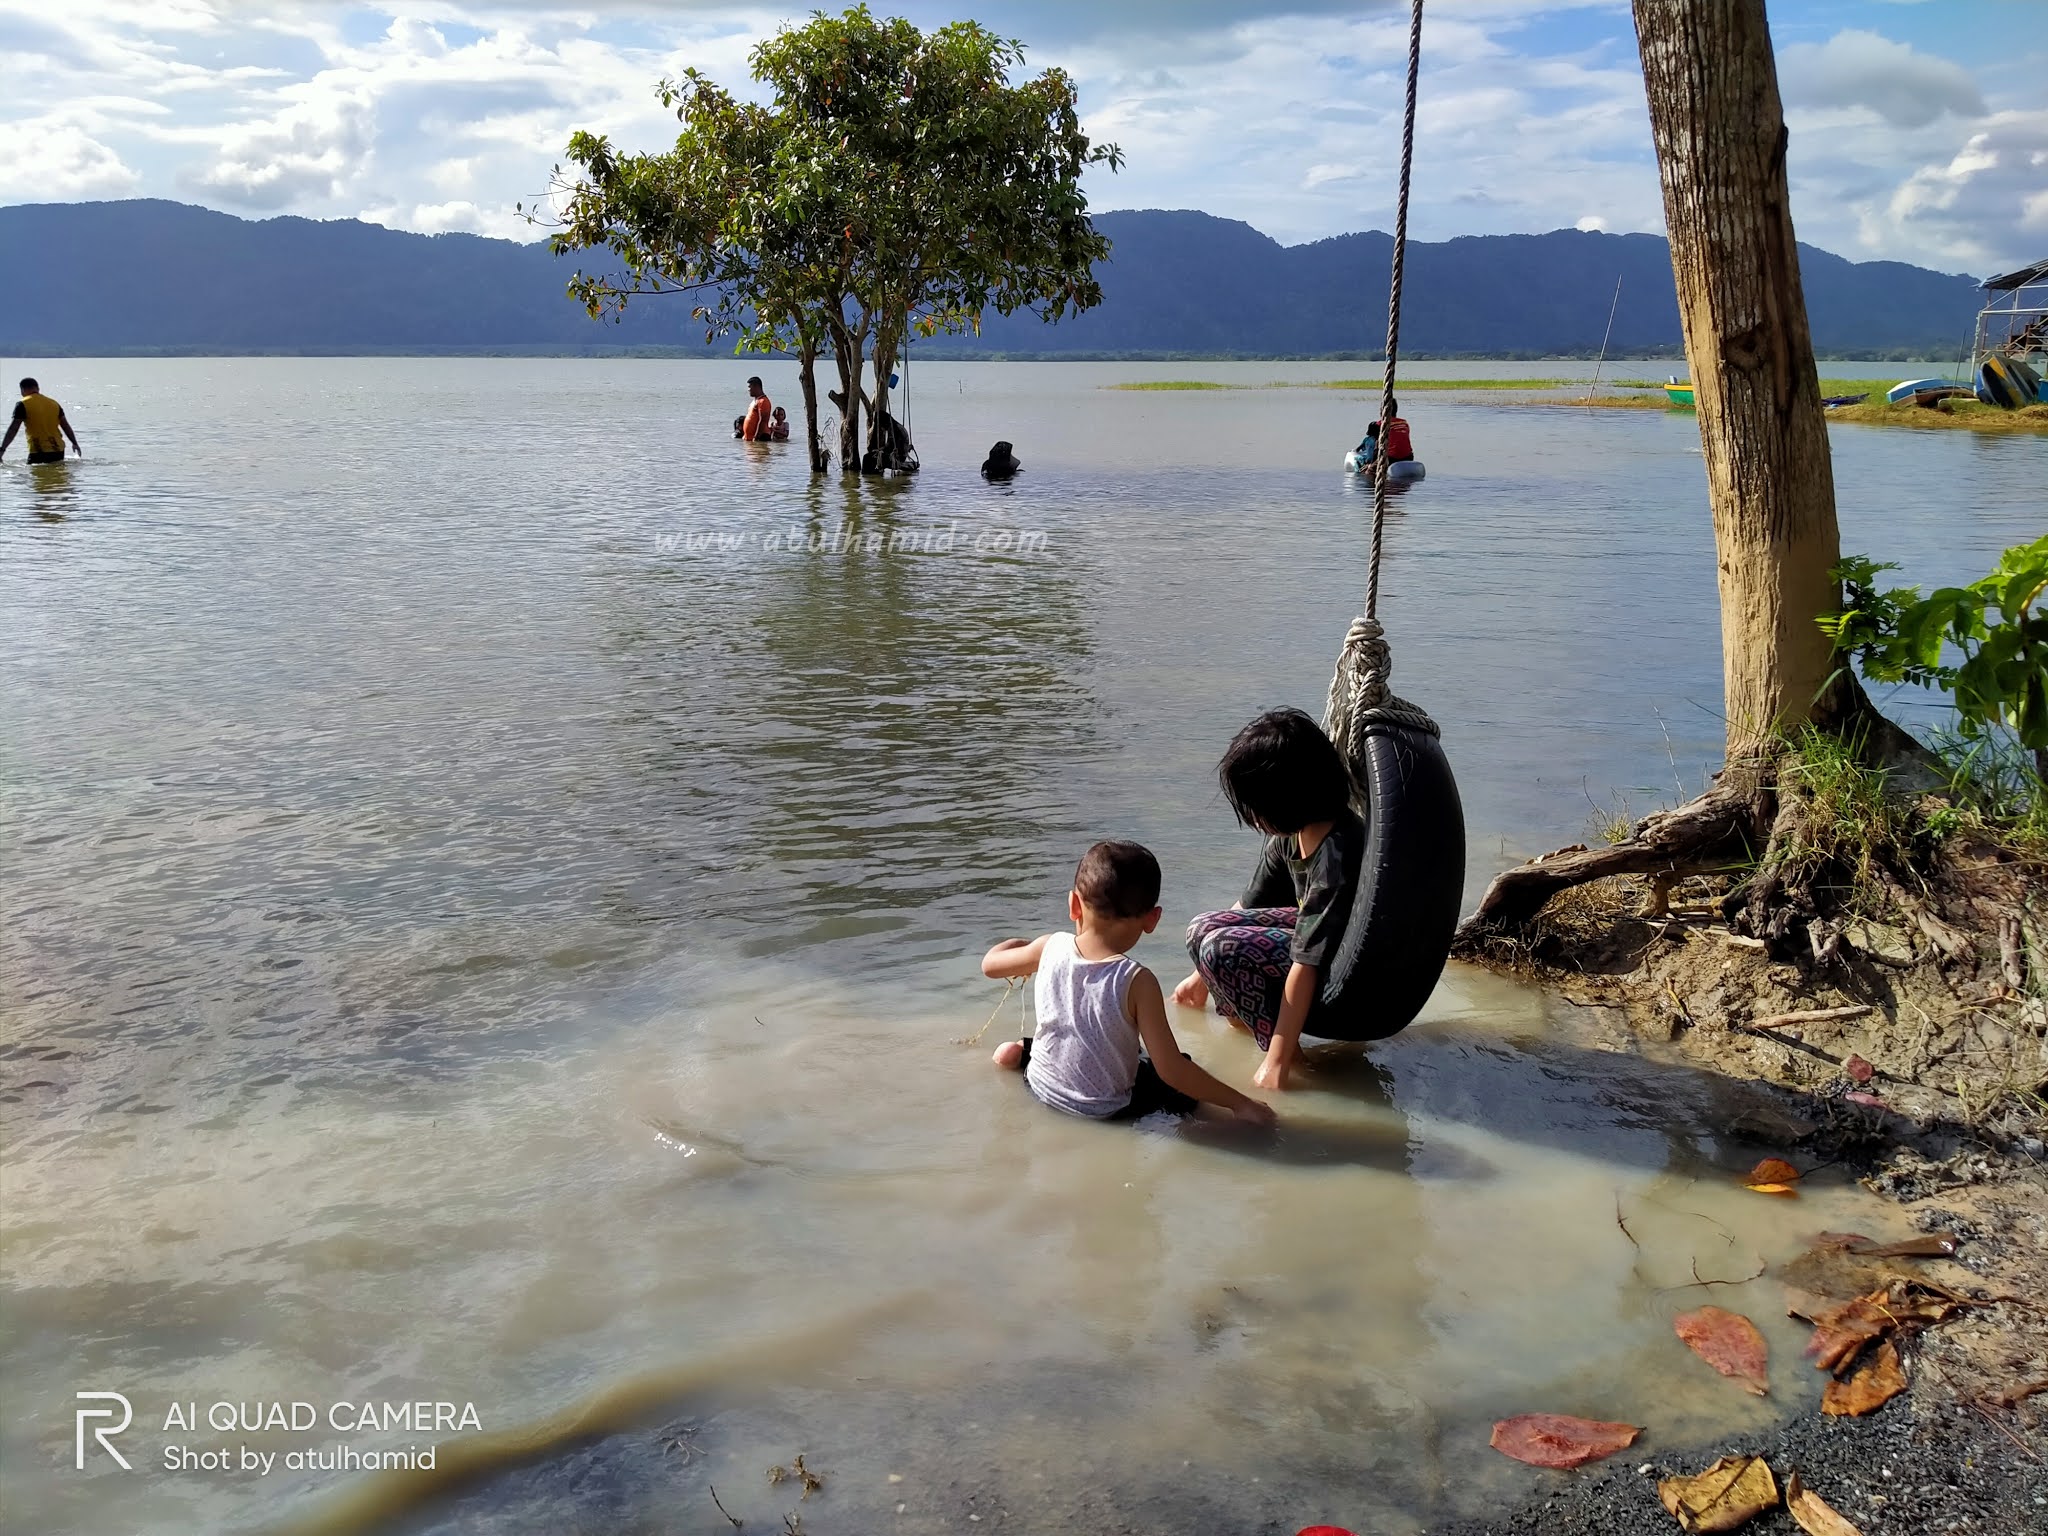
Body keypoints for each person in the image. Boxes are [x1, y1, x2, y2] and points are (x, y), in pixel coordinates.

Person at [985, 841, 1276, 1126]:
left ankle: (1012, 1055)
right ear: (1152, 919)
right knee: (1177, 1071)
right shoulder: (1137, 980)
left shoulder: (1049, 946)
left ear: (1074, 905)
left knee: (1045, 1046)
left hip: (1041, 1086)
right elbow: (1172, 1070)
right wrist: (1242, 1103)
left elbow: (990, 965)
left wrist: (1023, 945)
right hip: (1103, 1110)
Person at [1173, 709, 1366, 1092]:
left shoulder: (1337, 854)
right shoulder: (1291, 837)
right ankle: (1245, 1024)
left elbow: (1307, 961)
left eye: (1259, 808)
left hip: (1338, 969)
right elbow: (1247, 906)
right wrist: (1198, 982)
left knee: (1223, 949)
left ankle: (1290, 1055)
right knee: (1202, 929)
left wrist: (1276, 1062)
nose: (1255, 820)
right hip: (1307, 947)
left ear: (1289, 798)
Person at [2, 378, 82, 465]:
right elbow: (65, 426)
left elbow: (13, 429)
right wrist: (74, 443)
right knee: (56, 476)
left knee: (37, 477)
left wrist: (2, 449)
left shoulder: (23, 404)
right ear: (38, 388)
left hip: (38, 450)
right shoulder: (53, 403)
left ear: (22, 390)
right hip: (58, 450)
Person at [739, 376, 772, 441]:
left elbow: (762, 421)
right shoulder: (755, 401)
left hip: (760, 438)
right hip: (751, 440)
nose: (748, 389)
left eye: (749, 387)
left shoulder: (763, 401)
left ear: (756, 386)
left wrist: (756, 437)